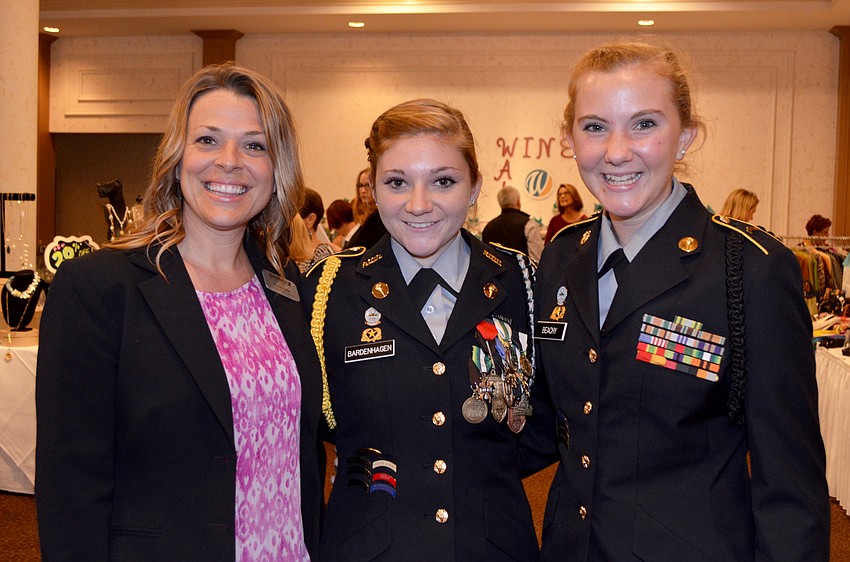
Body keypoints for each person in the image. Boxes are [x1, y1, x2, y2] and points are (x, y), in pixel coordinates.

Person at [535, 42, 829, 561]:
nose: (616, 151)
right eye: (595, 127)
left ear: (686, 134)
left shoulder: (749, 269)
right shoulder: (561, 257)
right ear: (570, 139)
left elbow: (791, 486)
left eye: (644, 124)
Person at [35, 63, 323, 561]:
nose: (229, 162)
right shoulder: (100, 289)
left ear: (277, 169)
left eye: (254, 145)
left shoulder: (286, 287)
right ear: (176, 156)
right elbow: (71, 485)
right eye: (208, 140)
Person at [306, 98, 555, 561]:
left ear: (475, 186)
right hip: (371, 545)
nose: (419, 205)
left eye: (443, 181)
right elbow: (307, 423)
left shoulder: (521, 281)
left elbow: (551, 414)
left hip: (492, 545)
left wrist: (479, 470)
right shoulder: (329, 289)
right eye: (397, 182)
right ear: (372, 190)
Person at [481, 185, 544, 262]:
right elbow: (537, 258)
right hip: (520, 269)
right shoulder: (529, 224)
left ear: (500, 203)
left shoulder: (488, 227)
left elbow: (484, 258)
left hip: (495, 269)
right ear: (518, 202)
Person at [346, 167, 388, 249]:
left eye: (367, 185)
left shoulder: (377, 218)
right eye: (360, 186)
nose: (363, 191)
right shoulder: (366, 217)